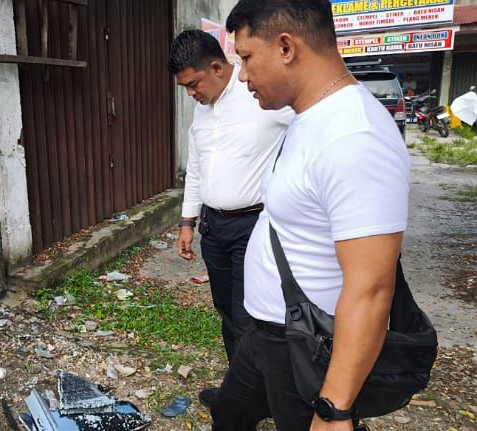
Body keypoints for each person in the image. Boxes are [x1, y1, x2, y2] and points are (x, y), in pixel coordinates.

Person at [209, 1, 410, 430]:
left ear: (286, 47)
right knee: (228, 415)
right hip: (264, 331)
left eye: (245, 57)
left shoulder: (355, 136)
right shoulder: (307, 116)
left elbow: (371, 289)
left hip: (305, 346)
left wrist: (333, 409)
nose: (241, 75)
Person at [168, 29, 292, 406]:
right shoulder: (201, 112)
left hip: (253, 227)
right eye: (185, 87)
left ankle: (248, 399)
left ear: (219, 68)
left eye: (193, 84)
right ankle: (244, 391)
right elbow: (196, 167)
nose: (190, 93)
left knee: (247, 316)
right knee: (226, 310)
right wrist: (187, 222)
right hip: (213, 226)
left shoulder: (262, 98)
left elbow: (310, 122)